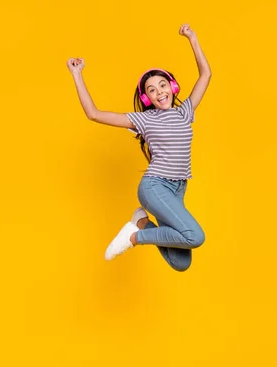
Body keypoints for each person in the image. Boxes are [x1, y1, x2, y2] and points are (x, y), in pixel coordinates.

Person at [67, 23, 211, 271]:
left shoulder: (185, 111)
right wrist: (77, 75)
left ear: (172, 86)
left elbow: (205, 75)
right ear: (147, 98)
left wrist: (193, 39)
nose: (159, 92)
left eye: (163, 85)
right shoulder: (144, 119)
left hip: (178, 189)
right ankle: (134, 237)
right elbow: (93, 114)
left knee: (180, 261)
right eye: (151, 90)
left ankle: (141, 223)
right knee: (195, 236)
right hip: (155, 186)